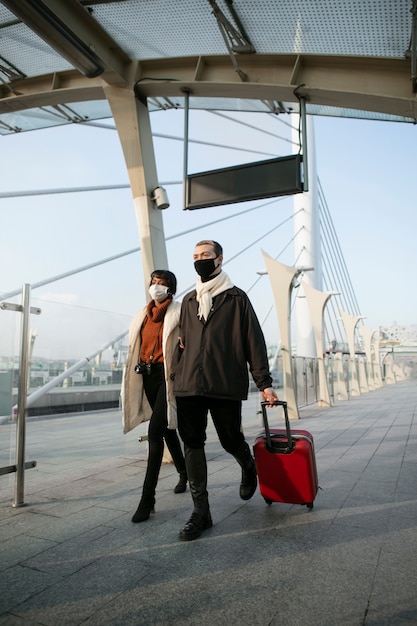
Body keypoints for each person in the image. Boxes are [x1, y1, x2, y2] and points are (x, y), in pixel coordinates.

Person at [173, 240, 278, 541]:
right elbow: (184, 342)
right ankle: (200, 511)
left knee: (230, 439)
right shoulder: (191, 300)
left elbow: (253, 342)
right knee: (192, 442)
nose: (200, 260)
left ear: (220, 259)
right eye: (195, 256)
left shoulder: (237, 299)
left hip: (224, 383)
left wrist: (264, 384)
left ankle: (247, 464)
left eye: (205, 255)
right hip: (189, 384)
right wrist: (176, 374)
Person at [121, 270, 187, 523]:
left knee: (156, 431)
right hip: (146, 375)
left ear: (171, 289)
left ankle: (147, 499)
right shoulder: (142, 315)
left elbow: (189, 341)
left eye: (162, 284)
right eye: (154, 282)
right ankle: (184, 472)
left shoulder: (179, 312)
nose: (156, 287)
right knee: (167, 428)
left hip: (166, 376)